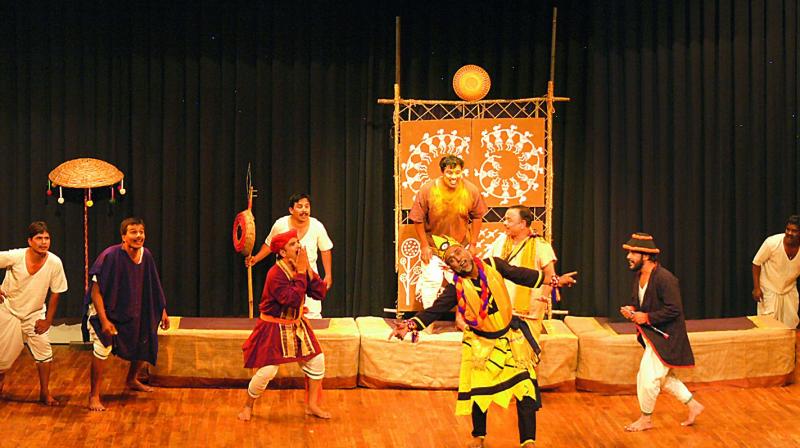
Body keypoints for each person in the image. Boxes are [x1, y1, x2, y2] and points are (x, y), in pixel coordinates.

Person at [390, 235, 577, 448]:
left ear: (467, 251)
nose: (457, 259)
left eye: (458, 252)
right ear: (450, 267)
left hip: (510, 340)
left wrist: (554, 280)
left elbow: (520, 275)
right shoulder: (457, 288)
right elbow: (437, 309)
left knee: (525, 388)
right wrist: (411, 324)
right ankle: (478, 438)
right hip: (482, 344)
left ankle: (528, 442)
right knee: (479, 394)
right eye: (451, 259)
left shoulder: (494, 265)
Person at [238, 229, 330, 421]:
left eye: (298, 242)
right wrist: (302, 273)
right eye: (292, 244)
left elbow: (320, 293)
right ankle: (248, 406)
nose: (298, 246)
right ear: (282, 252)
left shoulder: (301, 267)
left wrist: (310, 274)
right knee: (267, 372)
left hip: (296, 324)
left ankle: (312, 405)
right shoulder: (275, 274)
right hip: (274, 327)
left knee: (317, 361)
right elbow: (292, 299)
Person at [83, 217, 170, 411]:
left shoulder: (145, 255)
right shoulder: (109, 256)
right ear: (124, 236)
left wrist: (162, 310)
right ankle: (93, 395)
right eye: (133, 232)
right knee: (102, 348)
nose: (138, 236)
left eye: (141, 232)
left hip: (132, 308)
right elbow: (96, 292)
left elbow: (152, 284)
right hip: (106, 310)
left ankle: (132, 379)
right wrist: (104, 320)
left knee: (144, 337)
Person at [619, 232, 704, 432]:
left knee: (648, 377)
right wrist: (632, 309)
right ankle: (693, 405)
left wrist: (646, 317)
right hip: (653, 336)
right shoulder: (639, 276)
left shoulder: (665, 279)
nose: (628, 256)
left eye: (633, 252)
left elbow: (674, 309)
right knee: (663, 377)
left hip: (667, 337)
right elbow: (640, 303)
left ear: (646, 256)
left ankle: (646, 419)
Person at [0, 221, 68, 406]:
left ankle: (45, 393)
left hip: (34, 313)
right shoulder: (16, 256)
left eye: (47, 238)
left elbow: (57, 291)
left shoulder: (54, 262)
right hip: (9, 310)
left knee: (45, 352)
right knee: (2, 356)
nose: (44, 242)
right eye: (39, 238)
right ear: (30, 241)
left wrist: (48, 320)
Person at [409, 155, 488, 307]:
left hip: (460, 246)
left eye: (457, 173)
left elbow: (478, 217)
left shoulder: (471, 190)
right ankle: (427, 323)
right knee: (431, 283)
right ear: (442, 172)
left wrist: (473, 244)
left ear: (462, 172)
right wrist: (424, 245)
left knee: (465, 282)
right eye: (449, 173)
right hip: (434, 247)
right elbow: (417, 218)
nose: (454, 177)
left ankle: (462, 319)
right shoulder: (428, 190)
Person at [246, 193, 333, 319]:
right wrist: (255, 259)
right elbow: (269, 244)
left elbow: (325, 250)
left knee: (312, 316)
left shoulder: (317, 226)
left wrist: (326, 275)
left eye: (307, 206)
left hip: (308, 271)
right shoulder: (276, 274)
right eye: (300, 206)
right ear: (291, 210)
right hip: (286, 275)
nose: (304, 210)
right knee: (286, 313)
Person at [490, 205, 559, 320]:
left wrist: (544, 296)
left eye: (509, 220)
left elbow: (551, 276)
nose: (504, 223)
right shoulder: (500, 241)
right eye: (505, 219)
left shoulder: (541, 245)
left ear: (522, 224)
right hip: (501, 310)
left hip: (528, 313)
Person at [751, 214, 800, 328]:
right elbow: (756, 263)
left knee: (790, 326)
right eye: (788, 229)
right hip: (769, 290)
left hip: (789, 290)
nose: (789, 233)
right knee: (768, 326)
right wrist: (757, 288)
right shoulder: (772, 242)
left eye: (794, 231)